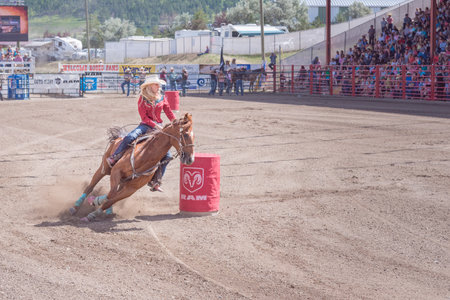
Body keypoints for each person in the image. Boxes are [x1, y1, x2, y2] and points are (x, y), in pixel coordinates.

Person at [106, 74, 175, 192]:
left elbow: (168, 112)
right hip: (146, 125)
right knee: (130, 136)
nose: (158, 86)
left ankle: (156, 181)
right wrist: (156, 125)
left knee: (167, 156)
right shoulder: (142, 98)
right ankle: (115, 156)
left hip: (159, 126)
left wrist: (174, 121)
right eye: (156, 84)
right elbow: (144, 117)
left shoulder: (162, 98)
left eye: (158, 84)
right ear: (150, 86)